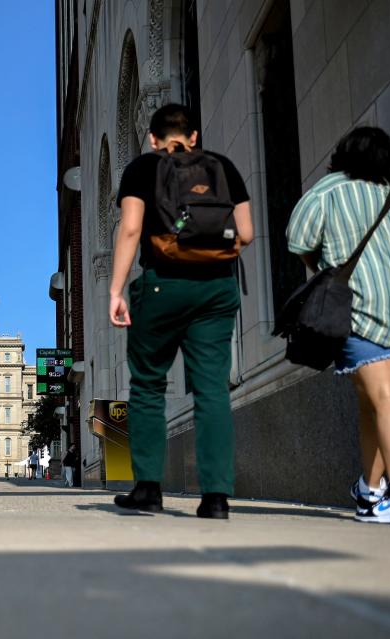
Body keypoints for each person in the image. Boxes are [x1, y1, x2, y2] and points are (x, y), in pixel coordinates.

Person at [109, 103, 254, 519]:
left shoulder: (142, 169)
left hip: (162, 286)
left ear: (153, 139)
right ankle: (216, 498)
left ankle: (149, 489)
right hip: (217, 289)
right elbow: (245, 232)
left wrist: (117, 289)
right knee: (212, 389)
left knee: (148, 385)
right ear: (193, 137)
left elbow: (131, 229)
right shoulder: (222, 167)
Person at [287, 126, 390, 525]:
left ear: (343, 159)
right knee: (374, 401)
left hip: (361, 307)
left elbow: (297, 239)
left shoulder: (331, 189)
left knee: (385, 398)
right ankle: (370, 492)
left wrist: (320, 269)